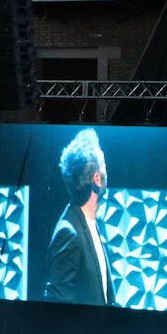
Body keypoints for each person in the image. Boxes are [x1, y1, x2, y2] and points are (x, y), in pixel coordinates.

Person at [44, 128, 117, 305]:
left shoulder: (91, 222)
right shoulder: (69, 234)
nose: (107, 168)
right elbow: (56, 304)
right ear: (97, 180)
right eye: (104, 165)